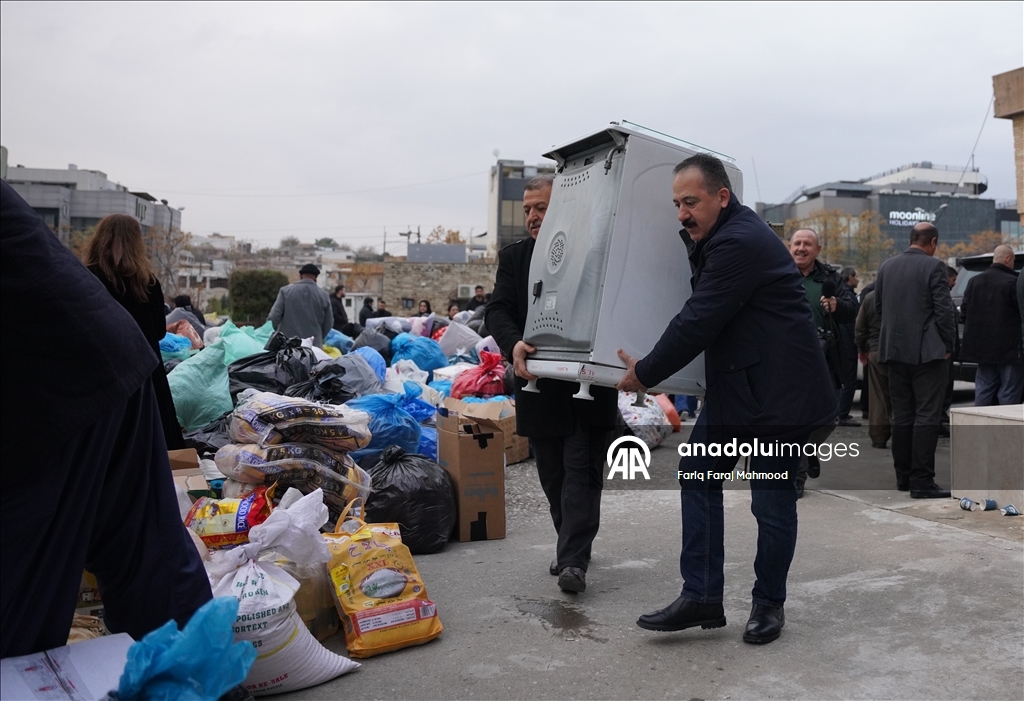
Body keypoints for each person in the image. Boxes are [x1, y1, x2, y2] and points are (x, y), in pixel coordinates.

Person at [616, 154, 836, 645]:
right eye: (676, 204)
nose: (681, 213)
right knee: (697, 476)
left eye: (690, 202)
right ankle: (702, 595)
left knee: (771, 503)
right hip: (738, 389)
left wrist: (645, 374)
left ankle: (768, 604)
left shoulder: (739, 242)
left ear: (722, 196)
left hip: (781, 397)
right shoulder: (721, 235)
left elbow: (699, 318)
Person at [0, 181, 212, 658]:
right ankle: (197, 673)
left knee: (25, 578)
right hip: (128, 370)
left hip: (48, 384)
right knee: (144, 543)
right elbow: (156, 330)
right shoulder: (147, 280)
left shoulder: (93, 271)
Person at [487, 174, 617, 594]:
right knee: (553, 476)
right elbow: (498, 310)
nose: (532, 216)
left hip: (588, 388)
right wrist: (514, 344)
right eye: (527, 209)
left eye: (540, 208)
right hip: (538, 387)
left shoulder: (594, 254)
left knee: (581, 471)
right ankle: (571, 543)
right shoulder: (516, 258)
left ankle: (573, 560)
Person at [84, 214, 186, 450]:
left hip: (104, 375)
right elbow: (159, 332)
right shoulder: (148, 282)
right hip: (147, 374)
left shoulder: (87, 277)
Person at [874, 223, 955, 498]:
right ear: (932, 242)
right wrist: (948, 345)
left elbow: (879, 308)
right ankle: (922, 481)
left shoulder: (886, 267)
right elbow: (944, 311)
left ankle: (904, 478)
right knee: (927, 416)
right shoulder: (934, 267)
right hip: (927, 354)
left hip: (894, 352)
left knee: (902, 416)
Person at [787, 229, 858, 496]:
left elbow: (853, 309)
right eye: (797, 243)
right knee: (794, 421)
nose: (801, 248)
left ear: (817, 249)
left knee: (829, 418)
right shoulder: (778, 274)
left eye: (807, 244)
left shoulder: (831, 279)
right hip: (787, 360)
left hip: (824, 360)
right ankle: (797, 476)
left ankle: (808, 451)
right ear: (790, 247)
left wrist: (837, 304)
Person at [960, 245, 1023, 405]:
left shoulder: (973, 281)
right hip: (1009, 349)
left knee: (983, 389)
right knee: (1009, 391)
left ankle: (981, 426)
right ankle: (1007, 428)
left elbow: (964, 313)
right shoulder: (1013, 282)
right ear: (1009, 259)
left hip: (981, 350)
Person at [855, 284, 891, 449]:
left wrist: (862, 349)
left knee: (877, 396)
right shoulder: (903, 294)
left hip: (875, 350)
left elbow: (860, 327)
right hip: (901, 351)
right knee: (901, 395)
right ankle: (902, 433)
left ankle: (879, 437)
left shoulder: (870, 298)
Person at [267, 263, 333, 346]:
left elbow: (273, 317)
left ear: (301, 276)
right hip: (313, 346)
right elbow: (329, 323)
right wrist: (318, 336)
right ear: (316, 277)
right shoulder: (324, 296)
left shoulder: (285, 292)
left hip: (287, 345)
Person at [835, 266, 861, 426]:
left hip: (840, 344)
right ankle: (842, 414)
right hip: (848, 345)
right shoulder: (849, 298)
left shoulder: (839, 295)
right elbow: (854, 324)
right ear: (850, 277)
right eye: (856, 276)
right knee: (849, 381)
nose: (858, 280)